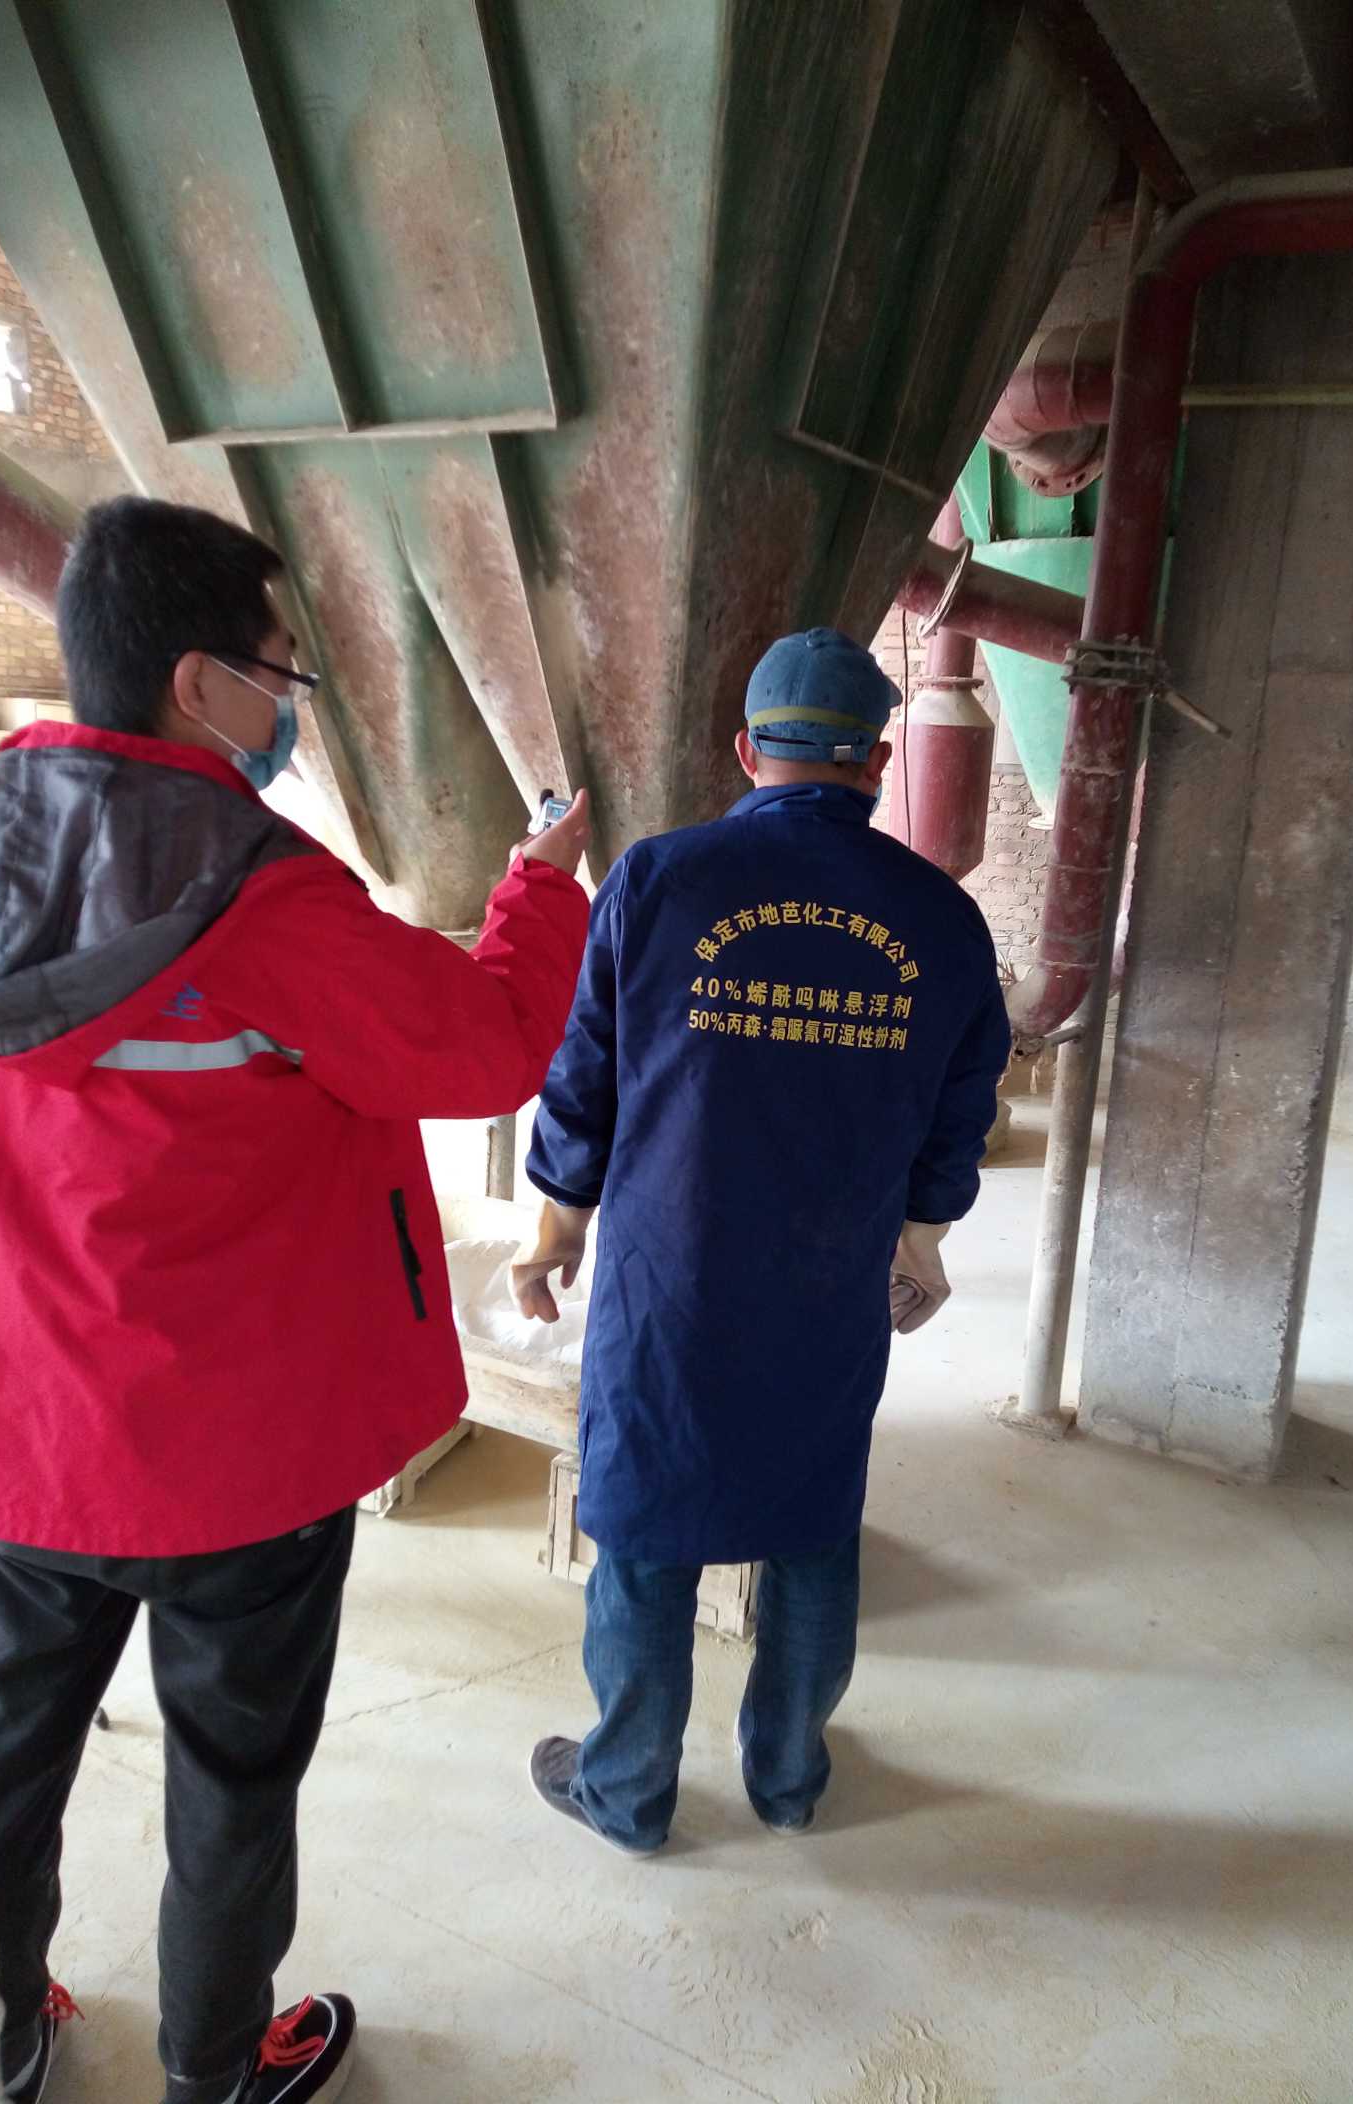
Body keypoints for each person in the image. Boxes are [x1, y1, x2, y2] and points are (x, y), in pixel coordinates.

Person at [0, 496, 591, 2104]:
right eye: (280, 667)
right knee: (229, 1784)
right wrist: (537, 888)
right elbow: (487, 1048)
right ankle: (219, 2074)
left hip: (15, 1446)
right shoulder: (265, 902)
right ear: (197, 684)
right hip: (239, 1472)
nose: (291, 700)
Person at [511, 625, 1011, 1855]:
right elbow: (962, 1109)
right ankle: (788, 1777)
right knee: (811, 1518)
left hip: (667, 1279)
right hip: (830, 1282)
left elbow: (585, 1077)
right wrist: (924, 1237)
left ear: (746, 750)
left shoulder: (656, 881)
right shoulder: (942, 920)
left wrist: (556, 1222)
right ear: (878, 762)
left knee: (645, 1527)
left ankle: (629, 1790)